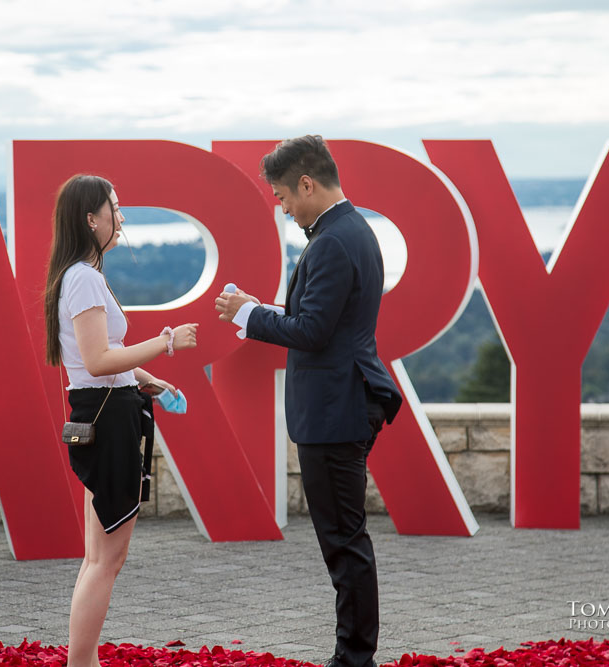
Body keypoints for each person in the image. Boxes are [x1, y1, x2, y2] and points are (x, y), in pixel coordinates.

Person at [215, 135, 402, 667]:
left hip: (335, 410)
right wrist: (261, 307)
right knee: (345, 540)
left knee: (344, 544)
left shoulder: (332, 241)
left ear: (306, 183)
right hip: (341, 403)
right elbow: (324, 319)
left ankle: (353, 660)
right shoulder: (350, 231)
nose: (284, 208)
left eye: (282, 197)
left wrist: (248, 317)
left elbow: (315, 330)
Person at [43, 174, 199, 667]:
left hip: (101, 415)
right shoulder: (84, 277)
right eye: (115, 208)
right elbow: (96, 361)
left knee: (98, 556)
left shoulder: (76, 274)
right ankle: (82, 662)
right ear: (91, 219)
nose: (122, 217)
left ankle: (82, 661)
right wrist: (167, 342)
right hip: (108, 426)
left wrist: (153, 380)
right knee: (106, 560)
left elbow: (108, 361)